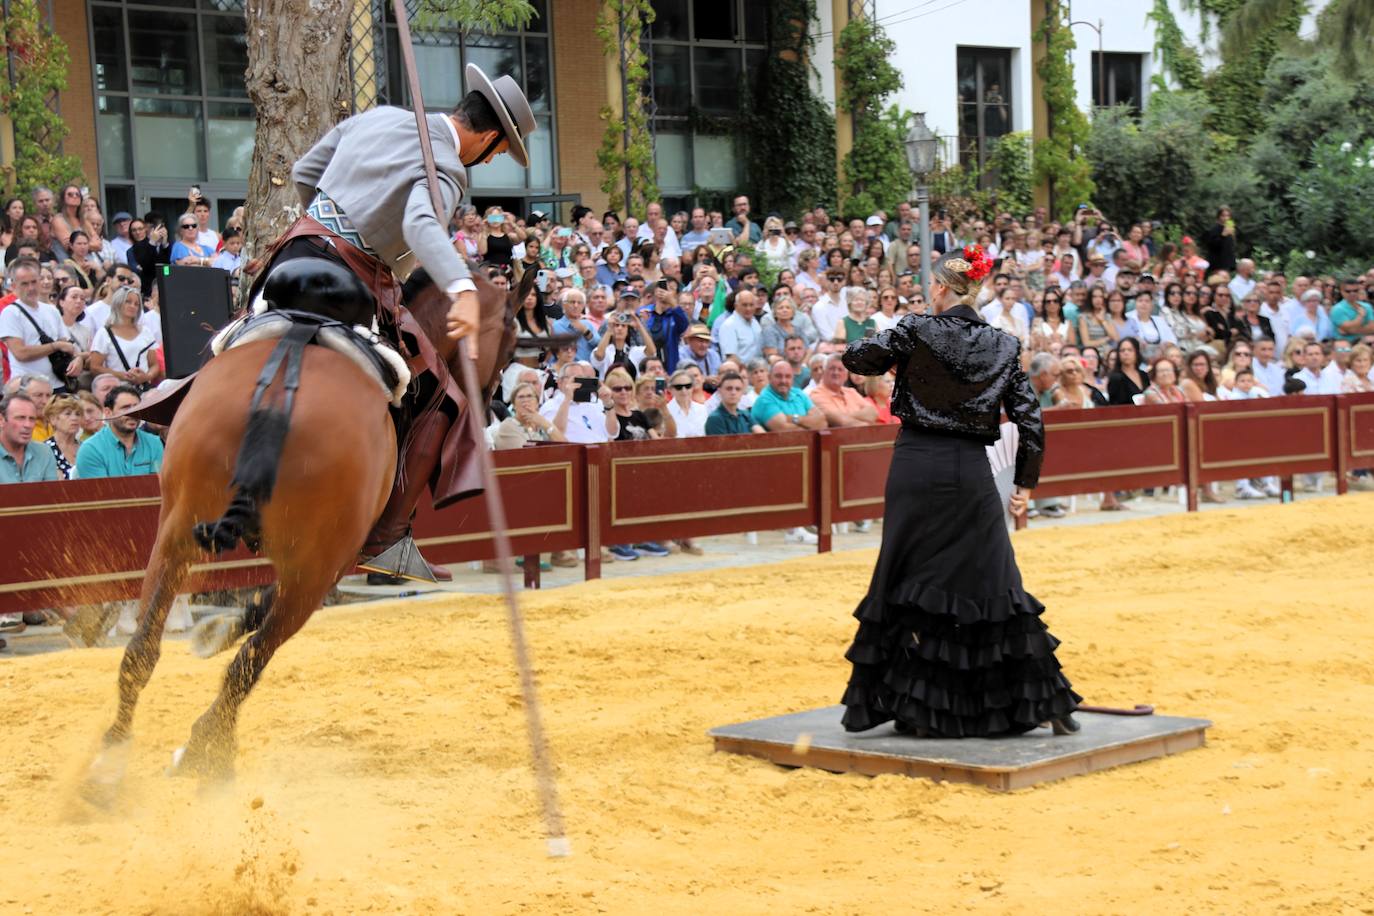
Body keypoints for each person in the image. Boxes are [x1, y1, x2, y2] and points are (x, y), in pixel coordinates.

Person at [285, 62, 536, 581]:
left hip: (288, 258)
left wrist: (327, 228)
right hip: (348, 283)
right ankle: (385, 538)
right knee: (440, 392)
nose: (488, 163)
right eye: (495, 154)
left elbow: (303, 173)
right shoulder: (446, 166)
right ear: (487, 139)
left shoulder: (377, 117)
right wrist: (462, 288)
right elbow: (419, 224)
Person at [838, 245, 1080, 738]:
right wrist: (1025, 484)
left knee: (903, 575)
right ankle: (1049, 703)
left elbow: (857, 358)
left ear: (944, 288)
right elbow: (1030, 420)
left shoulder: (915, 328)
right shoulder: (1004, 345)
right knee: (996, 581)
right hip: (971, 470)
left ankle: (901, 703)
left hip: (915, 467)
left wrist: (899, 337)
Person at [1, 258, 72, 389]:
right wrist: (55, 346)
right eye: (25, 284)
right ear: (14, 286)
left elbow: (66, 345)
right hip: (27, 389)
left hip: (57, 384)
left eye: (34, 282)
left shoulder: (51, 310)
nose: (31, 288)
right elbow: (21, 353)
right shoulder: (10, 313)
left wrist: (77, 359)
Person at [75, 384, 164, 478]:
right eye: (125, 408)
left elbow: (157, 486)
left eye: (136, 407)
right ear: (108, 413)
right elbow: (99, 491)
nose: (133, 413)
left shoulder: (154, 443)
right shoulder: (91, 449)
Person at [88, 286, 162, 390]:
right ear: (118, 303)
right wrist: (122, 376)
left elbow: (154, 365)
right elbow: (95, 367)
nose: (133, 306)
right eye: (128, 301)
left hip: (144, 389)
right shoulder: (104, 333)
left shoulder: (145, 332)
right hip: (117, 391)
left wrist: (146, 377)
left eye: (136, 304)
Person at [0, 393, 59, 484]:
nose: (28, 425)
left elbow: (52, 495)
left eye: (32, 419)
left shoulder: (44, 453)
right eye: (20, 418)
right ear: (1, 420)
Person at [810, 354, 878, 427]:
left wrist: (844, 416)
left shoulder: (851, 392)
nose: (836, 372)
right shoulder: (816, 394)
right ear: (824, 372)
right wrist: (865, 424)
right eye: (832, 368)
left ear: (846, 374)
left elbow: (873, 413)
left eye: (840, 369)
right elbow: (840, 422)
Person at [705, 370, 764, 435]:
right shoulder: (714, 419)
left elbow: (763, 437)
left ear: (742, 393)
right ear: (720, 391)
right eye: (729, 388)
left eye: (738, 389)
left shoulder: (746, 415)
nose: (733, 392)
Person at [43, 394, 82, 479]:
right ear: (53, 419)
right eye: (68, 414)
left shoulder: (85, 447)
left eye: (78, 414)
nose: (74, 418)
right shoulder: (44, 450)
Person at [1107, 337, 1150, 405]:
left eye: (1130, 350)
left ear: (1136, 352)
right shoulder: (1116, 378)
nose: (1126, 353)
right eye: (1122, 350)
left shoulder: (1144, 375)